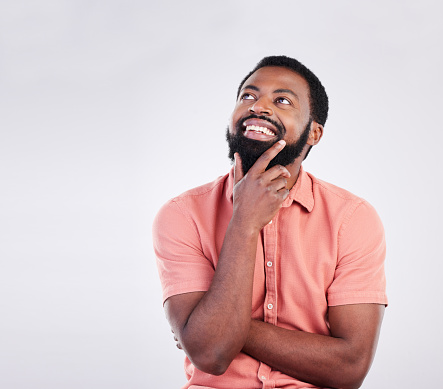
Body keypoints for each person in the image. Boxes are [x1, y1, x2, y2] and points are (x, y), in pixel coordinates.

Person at [153, 55, 387, 389]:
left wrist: (214, 329)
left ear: (314, 133)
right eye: (247, 96)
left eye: (282, 100)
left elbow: (350, 368)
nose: (258, 107)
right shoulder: (181, 215)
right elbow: (211, 355)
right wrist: (244, 223)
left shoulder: (352, 219)